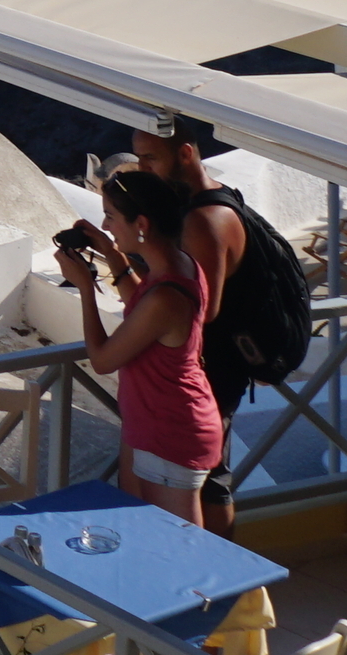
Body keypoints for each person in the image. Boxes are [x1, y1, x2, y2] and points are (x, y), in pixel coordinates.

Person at [63, 169, 225, 525]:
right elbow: (143, 305)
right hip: (159, 425)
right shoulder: (180, 267)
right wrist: (111, 255)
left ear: (142, 224)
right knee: (148, 538)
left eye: (111, 217)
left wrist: (86, 289)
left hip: (172, 432)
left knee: (180, 548)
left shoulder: (165, 296)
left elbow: (103, 360)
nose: (105, 226)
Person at [130, 116, 253, 532]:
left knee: (211, 486)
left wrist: (155, 317)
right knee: (206, 484)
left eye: (150, 158)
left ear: (185, 153)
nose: (143, 169)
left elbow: (203, 308)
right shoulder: (212, 200)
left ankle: (221, 583)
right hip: (207, 367)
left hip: (211, 368)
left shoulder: (202, 219)